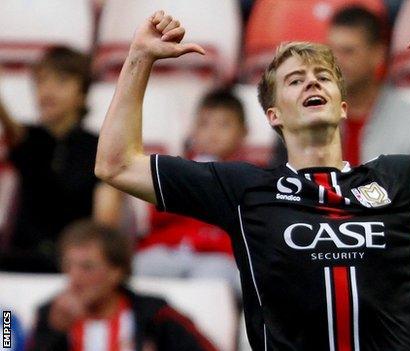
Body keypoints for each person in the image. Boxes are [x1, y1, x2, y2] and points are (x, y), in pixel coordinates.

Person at [95, 7, 410, 350]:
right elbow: (116, 164)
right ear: (273, 116)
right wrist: (138, 59)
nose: (311, 83)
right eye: (294, 80)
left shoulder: (401, 178)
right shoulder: (246, 191)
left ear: (342, 106)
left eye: (322, 76)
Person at [0, 46, 119, 272]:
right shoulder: (28, 139)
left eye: (61, 82)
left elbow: (105, 222)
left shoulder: (98, 146)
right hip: (21, 257)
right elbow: (14, 133)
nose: (47, 91)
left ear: (82, 93)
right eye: (41, 82)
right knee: (5, 309)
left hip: (73, 263)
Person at [271, 6, 410, 166]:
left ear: (378, 54)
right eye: (329, 51)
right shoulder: (296, 116)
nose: (335, 61)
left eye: (348, 51)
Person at [28, 220, 218, 351]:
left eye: (87, 267)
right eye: (68, 266)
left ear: (116, 272)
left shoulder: (156, 315)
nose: (74, 277)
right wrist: (52, 333)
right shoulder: (50, 315)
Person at [134, 89, 245, 298]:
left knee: (215, 279)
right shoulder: (175, 166)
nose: (212, 133)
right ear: (193, 130)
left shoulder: (250, 174)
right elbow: (156, 213)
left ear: (243, 132)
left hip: (217, 255)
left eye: (224, 125)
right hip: (168, 249)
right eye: (204, 124)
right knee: (142, 267)